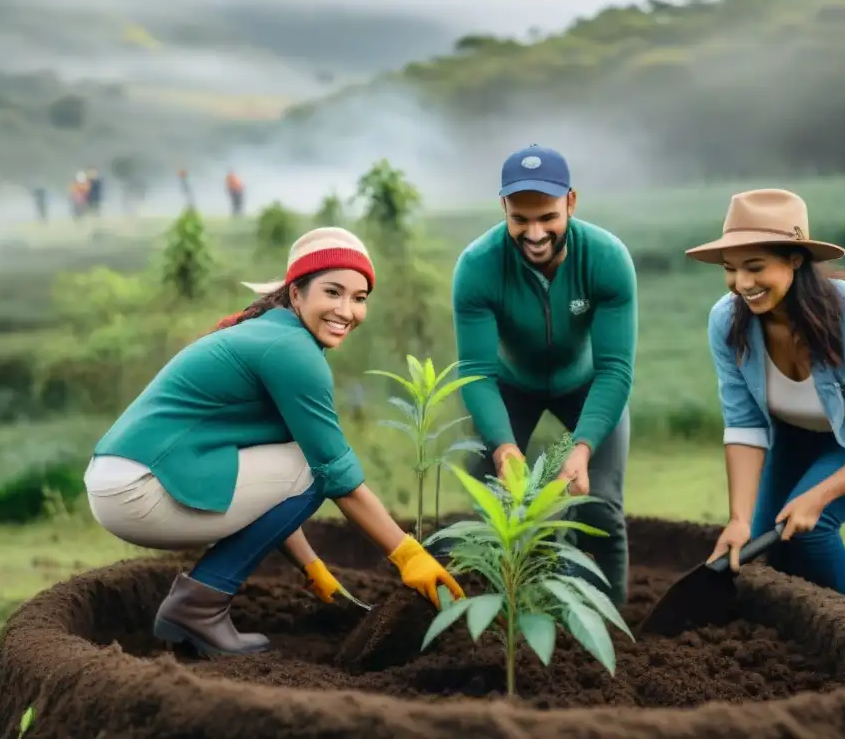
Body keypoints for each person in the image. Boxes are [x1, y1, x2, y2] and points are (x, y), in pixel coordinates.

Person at [83, 227, 464, 656]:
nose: (347, 310)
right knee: (316, 468)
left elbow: (271, 483)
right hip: (141, 490)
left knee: (301, 464)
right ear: (296, 294)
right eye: (333, 292)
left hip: (123, 479)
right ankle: (199, 606)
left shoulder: (272, 333)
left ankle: (199, 605)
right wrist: (407, 554)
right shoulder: (291, 349)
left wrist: (309, 564)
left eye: (359, 298)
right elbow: (331, 474)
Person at [687, 188, 845, 601]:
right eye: (730, 269)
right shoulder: (727, 321)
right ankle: (795, 643)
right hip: (795, 434)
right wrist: (739, 520)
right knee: (767, 539)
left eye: (755, 266)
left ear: (795, 259)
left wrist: (817, 496)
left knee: (811, 526)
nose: (741, 283)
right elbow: (745, 425)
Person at [450, 144, 638, 607]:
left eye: (548, 217)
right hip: (510, 388)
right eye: (520, 219)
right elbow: (475, 371)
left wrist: (583, 446)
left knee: (600, 506)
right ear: (504, 209)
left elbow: (615, 368)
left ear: (570, 203)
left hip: (588, 385)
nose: (534, 233)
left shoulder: (607, 258)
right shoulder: (478, 266)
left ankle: (605, 623)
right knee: (494, 506)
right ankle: (506, 616)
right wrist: (505, 447)